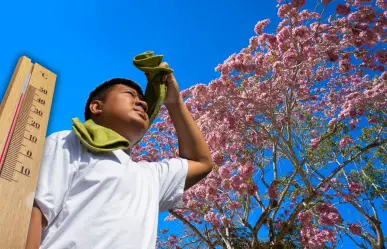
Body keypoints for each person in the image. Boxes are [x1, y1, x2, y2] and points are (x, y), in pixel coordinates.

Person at [25, 62, 213, 249]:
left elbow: (201, 162)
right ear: (97, 107)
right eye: (130, 95)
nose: (141, 103)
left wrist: (174, 101)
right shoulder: (70, 141)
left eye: (145, 105)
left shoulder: (151, 176)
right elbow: (37, 212)